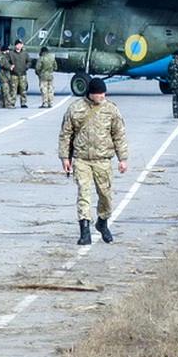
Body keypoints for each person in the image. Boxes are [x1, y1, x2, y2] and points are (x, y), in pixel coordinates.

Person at [58, 78, 129, 245]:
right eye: (99, 94)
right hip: (82, 159)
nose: (102, 96)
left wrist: (123, 159)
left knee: (105, 196)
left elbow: (119, 135)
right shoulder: (75, 109)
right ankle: (84, 231)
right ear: (91, 93)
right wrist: (64, 157)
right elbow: (65, 134)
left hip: (103, 159)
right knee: (84, 193)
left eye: (104, 93)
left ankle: (102, 222)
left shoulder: (111, 110)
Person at [9, 39, 31, 108]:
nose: (19, 46)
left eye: (20, 44)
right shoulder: (11, 54)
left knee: (23, 89)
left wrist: (26, 67)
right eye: (17, 44)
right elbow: (7, 61)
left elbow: (29, 61)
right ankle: (12, 102)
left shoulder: (25, 54)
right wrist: (10, 66)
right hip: (14, 74)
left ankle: (23, 103)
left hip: (22, 74)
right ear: (15, 45)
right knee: (13, 89)